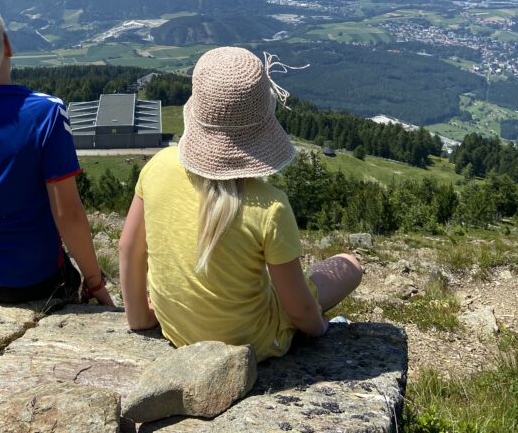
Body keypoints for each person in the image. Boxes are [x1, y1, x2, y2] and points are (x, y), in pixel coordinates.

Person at [119, 46, 362, 360]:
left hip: (177, 330)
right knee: (350, 265)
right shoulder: (270, 207)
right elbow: (300, 312)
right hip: (250, 343)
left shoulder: (158, 166)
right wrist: (322, 329)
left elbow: (128, 248)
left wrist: (140, 318)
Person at [0, 0, 112, 306]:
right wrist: (94, 282)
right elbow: (68, 213)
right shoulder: (46, 113)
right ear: (8, 45)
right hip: (35, 281)